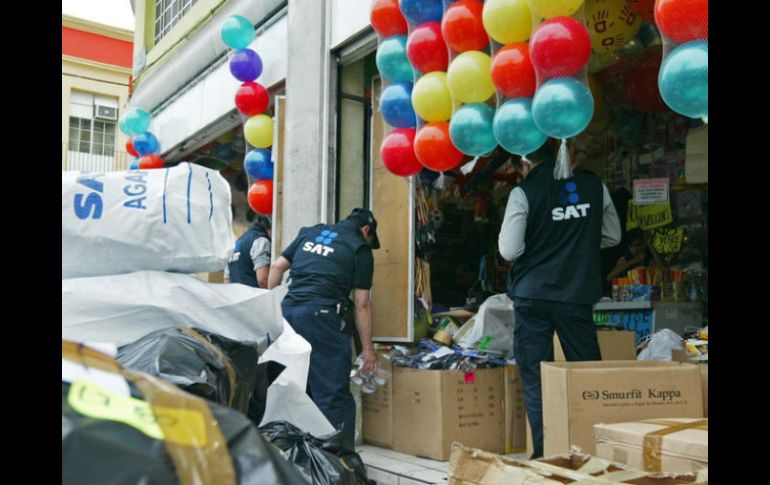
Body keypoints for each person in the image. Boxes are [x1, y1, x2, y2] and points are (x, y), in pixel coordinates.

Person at [498, 144, 621, 458]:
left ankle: (544, 455)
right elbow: (612, 237)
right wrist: (576, 242)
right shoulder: (594, 185)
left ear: (524, 163)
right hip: (576, 293)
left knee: (536, 376)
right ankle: (596, 450)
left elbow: (509, 251)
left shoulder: (523, 192)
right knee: (587, 373)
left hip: (532, 295)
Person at [267, 208, 380, 440]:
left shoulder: (310, 233)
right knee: (331, 394)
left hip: (288, 314)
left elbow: (277, 267)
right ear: (366, 230)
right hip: (323, 319)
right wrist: (368, 350)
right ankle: (335, 462)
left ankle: (291, 451)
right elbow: (362, 304)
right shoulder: (360, 248)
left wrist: (271, 309)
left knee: (294, 386)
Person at [226, 214, 272, 288]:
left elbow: (227, 280)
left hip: (236, 297)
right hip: (255, 297)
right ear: (269, 227)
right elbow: (263, 280)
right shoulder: (261, 241)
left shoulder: (236, 243)